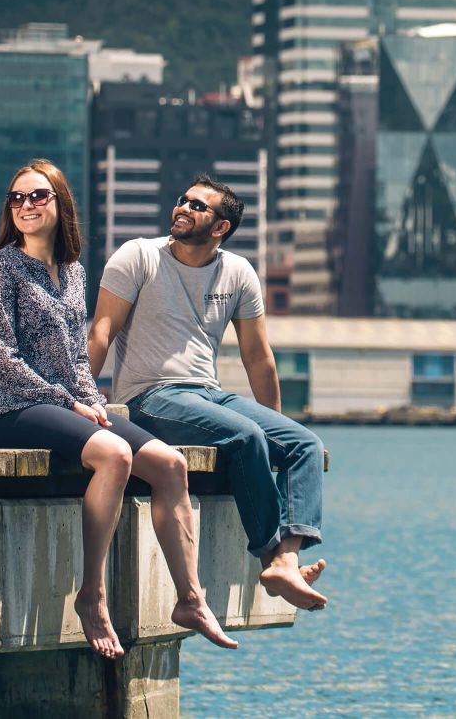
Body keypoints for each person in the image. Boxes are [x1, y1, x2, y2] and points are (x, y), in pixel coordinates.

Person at [0, 160, 237, 659]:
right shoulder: (0, 269)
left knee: (169, 464)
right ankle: (92, 596)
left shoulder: (72, 272)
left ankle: (191, 598)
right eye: (16, 198)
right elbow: (2, 359)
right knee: (115, 454)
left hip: (69, 403)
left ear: (60, 203)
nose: (25, 206)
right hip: (14, 406)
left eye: (37, 197)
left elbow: (77, 355)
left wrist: (91, 401)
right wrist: (72, 402)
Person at [88, 176, 328, 611]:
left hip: (207, 394)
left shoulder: (237, 272)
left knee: (305, 443)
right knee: (243, 437)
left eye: (197, 206)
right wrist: (81, 397)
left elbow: (259, 358)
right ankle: (270, 556)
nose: (182, 208)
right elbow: (102, 331)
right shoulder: (138, 256)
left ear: (221, 227)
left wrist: (276, 427)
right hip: (149, 397)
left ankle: (286, 559)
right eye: (182, 200)